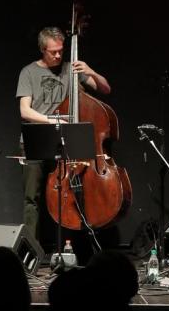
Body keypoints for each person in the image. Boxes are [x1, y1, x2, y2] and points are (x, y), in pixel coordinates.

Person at [16, 27, 112, 243]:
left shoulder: (73, 70)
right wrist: (53, 120)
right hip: (37, 139)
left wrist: (91, 71)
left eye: (61, 51)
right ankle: (31, 250)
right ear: (43, 50)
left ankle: (70, 249)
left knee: (68, 195)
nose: (58, 56)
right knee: (32, 199)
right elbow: (25, 110)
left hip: (65, 141)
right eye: (53, 52)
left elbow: (105, 89)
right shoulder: (28, 72)